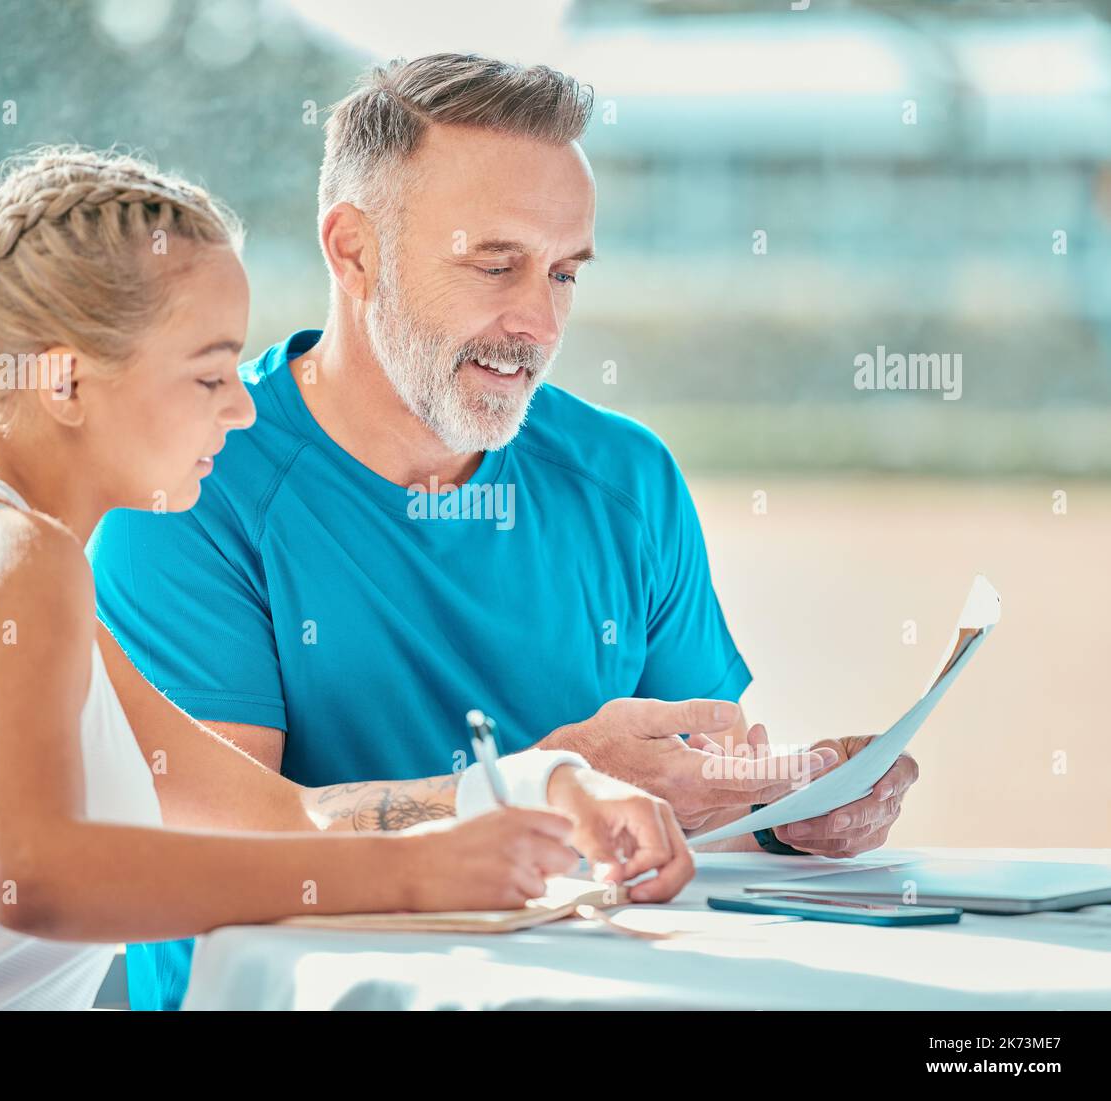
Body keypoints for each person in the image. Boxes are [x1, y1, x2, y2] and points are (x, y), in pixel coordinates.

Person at [90, 53, 920, 1012]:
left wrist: (789, 809)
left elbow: (683, 805)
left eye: (566, 272)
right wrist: (555, 780)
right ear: (354, 250)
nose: (537, 321)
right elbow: (224, 844)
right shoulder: (192, 487)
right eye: (495, 264)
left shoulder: (625, 479)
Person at [0, 147, 698, 1011]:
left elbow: (279, 814)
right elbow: (30, 876)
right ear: (66, 382)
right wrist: (412, 874)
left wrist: (538, 783)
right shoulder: (8, 561)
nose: (241, 408)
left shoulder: (17, 559)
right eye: (207, 373)